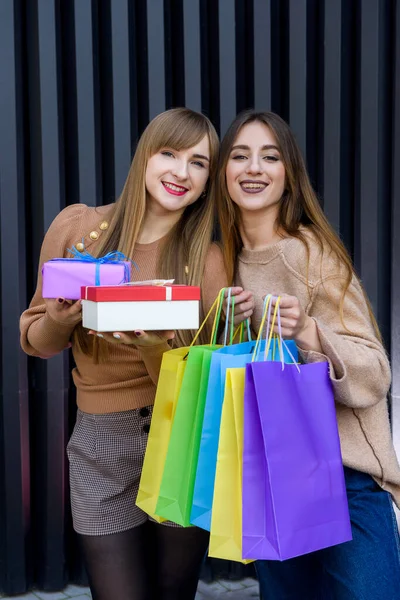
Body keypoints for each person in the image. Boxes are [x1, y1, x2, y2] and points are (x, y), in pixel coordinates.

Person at [20, 108, 230, 600]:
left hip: (181, 438)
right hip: (101, 443)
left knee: (172, 592)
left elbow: (206, 383)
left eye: (198, 163)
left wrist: (156, 350)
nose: (181, 172)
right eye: (170, 154)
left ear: (208, 180)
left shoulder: (209, 258)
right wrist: (61, 318)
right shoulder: (80, 229)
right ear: (145, 156)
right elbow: (34, 340)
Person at [216, 109, 400, 599]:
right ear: (224, 172)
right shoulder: (218, 262)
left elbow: (375, 374)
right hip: (272, 477)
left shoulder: (311, 252)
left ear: (288, 173)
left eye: (269, 157)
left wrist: (312, 334)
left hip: (346, 478)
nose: (254, 168)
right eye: (241, 155)